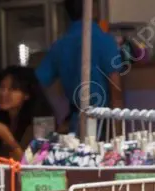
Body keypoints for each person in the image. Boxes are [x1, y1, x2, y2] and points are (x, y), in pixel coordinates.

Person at [35, 0, 122, 134]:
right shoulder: (104, 40)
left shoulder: (60, 45)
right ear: (93, 10)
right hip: (101, 121)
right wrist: (118, 133)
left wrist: (57, 114)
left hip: (75, 120)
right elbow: (115, 91)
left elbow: (37, 82)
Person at [0, 65, 53, 161]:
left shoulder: (43, 125)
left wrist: (8, 139)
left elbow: (33, 165)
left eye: (13, 89)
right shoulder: (3, 119)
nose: (3, 93)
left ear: (27, 94)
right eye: (1, 87)